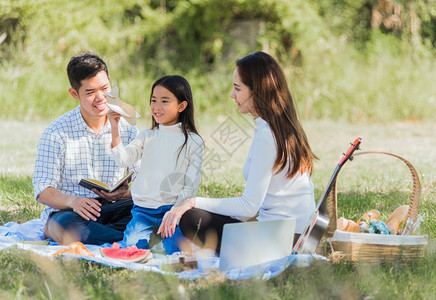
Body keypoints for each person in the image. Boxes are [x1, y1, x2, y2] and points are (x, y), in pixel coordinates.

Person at [158, 51, 317, 253]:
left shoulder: (268, 135)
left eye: (237, 88)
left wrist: (191, 201)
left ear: (257, 91)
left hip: (281, 241)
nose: (232, 95)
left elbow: (249, 206)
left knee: (191, 218)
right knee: (201, 214)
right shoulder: (280, 127)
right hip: (291, 234)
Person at [33, 52, 139, 245]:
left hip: (114, 208)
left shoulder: (128, 128)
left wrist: (124, 194)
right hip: (71, 212)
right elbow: (42, 190)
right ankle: (132, 238)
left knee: (157, 207)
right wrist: (73, 202)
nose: (100, 98)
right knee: (68, 226)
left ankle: (113, 235)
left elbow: (146, 184)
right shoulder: (56, 133)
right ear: (74, 94)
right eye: (90, 92)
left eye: (105, 88)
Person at [107, 75, 203, 254]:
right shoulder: (146, 136)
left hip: (173, 212)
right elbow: (123, 159)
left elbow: (191, 185)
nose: (157, 107)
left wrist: (176, 211)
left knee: (175, 252)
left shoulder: (193, 141)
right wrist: (114, 127)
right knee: (130, 250)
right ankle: (152, 240)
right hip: (143, 212)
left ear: (182, 106)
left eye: (165, 101)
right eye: (153, 100)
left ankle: (160, 241)